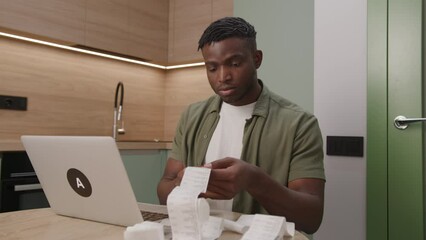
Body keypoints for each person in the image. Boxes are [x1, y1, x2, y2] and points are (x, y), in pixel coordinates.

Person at [157, 17, 325, 234]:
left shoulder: (299, 124)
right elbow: (163, 191)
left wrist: (253, 180)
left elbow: (311, 218)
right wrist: (184, 184)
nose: (223, 77)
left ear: (257, 59)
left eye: (234, 64)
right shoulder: (192, 116)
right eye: (212, 68)